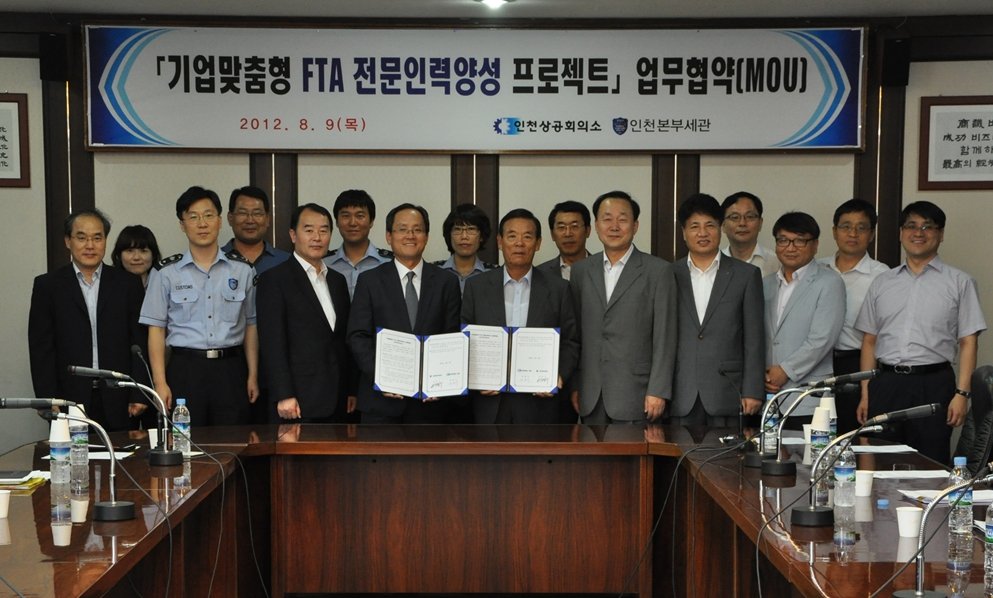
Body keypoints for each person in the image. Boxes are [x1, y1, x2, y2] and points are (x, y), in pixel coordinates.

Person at [856, 201, 986, 464]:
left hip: (933, 384)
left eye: (927, 227)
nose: (918, 233)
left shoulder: (960, 282)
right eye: (911, 226)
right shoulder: (882, 282)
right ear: (901, 232)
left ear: (941, 234)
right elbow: (869, 341)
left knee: (930, 462)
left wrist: (962, 395)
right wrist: (866, 393)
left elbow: (968, 342)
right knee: (881, 461)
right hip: (886, 383)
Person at [140, 186, 259, 426]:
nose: (202, 224)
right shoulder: (165, 272)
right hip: (185, 369)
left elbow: (251, 325)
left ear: (220, 221)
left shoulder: (243, 270)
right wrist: (160, 382)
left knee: (233, 439)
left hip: (231, 369)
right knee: (185, 440)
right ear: (182, 225)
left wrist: (253, 375)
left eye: (208, 215)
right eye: (193, 217)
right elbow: (156, 330)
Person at [28, 209, 148, 432]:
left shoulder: (128, 284)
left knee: (122, 453)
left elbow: (140, 341)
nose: (90, 245)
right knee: (72, 454)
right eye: (81, 238)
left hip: (120, 397)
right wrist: (46, 397)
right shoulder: (48, 286)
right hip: (67, 397)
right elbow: (41, 347)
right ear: (68, 241)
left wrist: (139, 392)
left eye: (97, 238)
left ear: (105, 241)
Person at [461, 208, 580, 424]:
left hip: (540, 403)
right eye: (512, 236)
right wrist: (474, 376)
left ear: (538, 243)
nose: (519, 243)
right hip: (490, 402)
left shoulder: (559, 289)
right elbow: (463, 339)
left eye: (527, 237)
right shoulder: (476, 287)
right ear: (500, 242)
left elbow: (571, 341)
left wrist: (558, 374)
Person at [346, 204, 462, 423]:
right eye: (402, 229)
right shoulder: (369, 281)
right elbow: (357, 336)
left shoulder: (446, 282)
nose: (410, 235)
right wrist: (381, 377)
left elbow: (452, 336)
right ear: (389, 236)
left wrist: (443, 382)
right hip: (381, 404)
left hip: (431, 405)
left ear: (426, 237)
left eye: (417, 230)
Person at [570, 191, 676, 424]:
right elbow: (575, 335)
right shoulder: (581, 271)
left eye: (622, 219)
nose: (614, 226)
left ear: (635, 226)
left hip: (637, 394)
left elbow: (665, 337)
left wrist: (658, 390)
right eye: (607, 219)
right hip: (591, 394)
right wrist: (576, 384)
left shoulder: (658, 271)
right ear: (596, 226)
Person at [669, 193, 765, 427]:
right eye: (694, 226)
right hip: (680, 391)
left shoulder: (746, 275)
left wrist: (752, 390)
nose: (702, 233)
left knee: (726, 451)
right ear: (683, 232)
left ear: (720, 228)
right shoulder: (668, 274)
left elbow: (754, 338)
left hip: (727, 391)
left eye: (710, 225)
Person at [256, 203, 354, 423]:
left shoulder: (337, 281)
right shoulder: (274, 279)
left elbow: (342, 340)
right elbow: (272, 343)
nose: (317, 237)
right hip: (297, 400)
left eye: (324, 230)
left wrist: (350, 389)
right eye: (309, 230)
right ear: (293, 235)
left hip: (338, 398)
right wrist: (283, 394)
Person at [763, 212, 845, 421]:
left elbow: (822, 339)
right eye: (783, 240)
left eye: (799, 241)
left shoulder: (829, 282)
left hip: (808, 395)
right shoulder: (765, 284)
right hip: (767, 396)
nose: (790, 248)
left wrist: (785, 371)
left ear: (815, 245)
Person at [817, 199, 890, 434]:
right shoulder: (816, 269)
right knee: (816, 433)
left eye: (861, 228)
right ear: (834, 231)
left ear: (872, 234)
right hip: (816, 362)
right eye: (846, 226)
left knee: (853, 435)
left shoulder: (882, 276)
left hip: (857, 363)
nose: (853, 233)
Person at [324, 189, 393, 297]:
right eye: (346, 216)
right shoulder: (323, 264)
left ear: (371, 221)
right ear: (336, 222)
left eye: (360, 216)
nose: (352, 223)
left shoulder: (390, 263)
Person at [221, 186, 290, 275]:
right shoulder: (216, 260)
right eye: (243, 213)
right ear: (230, 218)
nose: (250, 220)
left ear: (267, 219)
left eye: (257, 213)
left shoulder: (286, 261)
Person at [433, 203, 496, 293]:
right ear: (449, 235)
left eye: (471, 229)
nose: (464, 236)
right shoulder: (433, 271)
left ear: (481, 236)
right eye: (457, 229)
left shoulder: (494, 273)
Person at [721, 191, 780, 278]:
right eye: (735, 217)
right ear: (723, 225)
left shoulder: (776, 262)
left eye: (750, 217)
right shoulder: (716, 262)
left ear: (760, 223)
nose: (742, 223)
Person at [536, 200, 592, 281]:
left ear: (588, 231)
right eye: (561, 227)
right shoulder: (539, 274)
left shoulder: (603, 268)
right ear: (552, 234)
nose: (568, 234)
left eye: (574, 226)